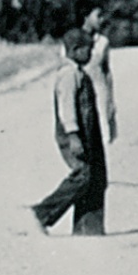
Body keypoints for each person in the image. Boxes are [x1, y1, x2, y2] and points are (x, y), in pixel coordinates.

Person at [32, 28, 109, 235]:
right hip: (74, 135)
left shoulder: (79, 73)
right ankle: (40, 214)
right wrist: (73, 136)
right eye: (88, 50)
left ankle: (88, 228)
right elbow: (67, 109)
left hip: (87, 134)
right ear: (75, 50)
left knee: (97, 178)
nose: (92, 54)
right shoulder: (68, 75)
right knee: (83, 176)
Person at [82, 6, 117, 144]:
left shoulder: (103, 42)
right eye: (98, 16)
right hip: (81, 92)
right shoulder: (72, 40)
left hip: (99, 91)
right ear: (86, 17)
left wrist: (111, 100)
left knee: (101, 136)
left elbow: (106, 71)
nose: (101, 20)